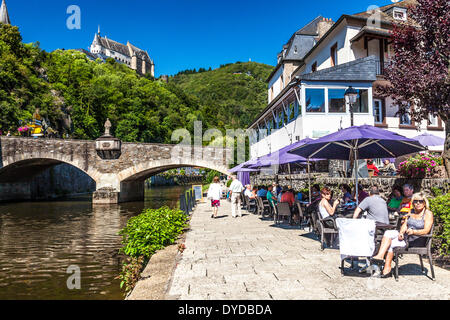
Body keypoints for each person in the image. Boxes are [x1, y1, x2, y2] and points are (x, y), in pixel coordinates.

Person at [371, 192, 434, 278]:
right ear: (413, 202)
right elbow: (405, 225)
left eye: (420, 201)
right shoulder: (411, 211)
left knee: (390, 243)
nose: (418, 203)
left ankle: (386, 269)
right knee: (388, 233)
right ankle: (380, 258)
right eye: (416, 201)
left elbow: (426, 230)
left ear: (424, 202)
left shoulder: (427, 213)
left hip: (417, 240)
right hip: (406, 237)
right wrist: (401, 232)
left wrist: (414, 232)